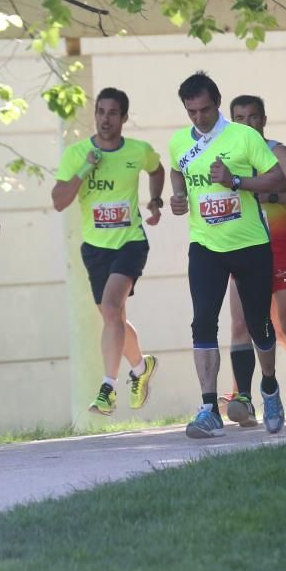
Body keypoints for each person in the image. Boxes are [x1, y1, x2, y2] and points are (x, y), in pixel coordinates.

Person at [168, 72, 286, 438]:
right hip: (205, 246)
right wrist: (178, 197)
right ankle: (208, 409)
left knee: (259, 326)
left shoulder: (243, 137)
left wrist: (236, 181)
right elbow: (177, 170)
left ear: (217, 103)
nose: (199, 118)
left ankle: (269, 388)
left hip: (250, 244)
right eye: (191, 112)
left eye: (205, 109)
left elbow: (278, 179)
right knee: (203, 320)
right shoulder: (178, 142)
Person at [52, 87, 165, 416]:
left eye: (112, 113)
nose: (105, 119)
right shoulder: (76, 154)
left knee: (113, 307)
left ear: (124, 118)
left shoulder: (137, 151)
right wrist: (85, 169)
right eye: (100, 112)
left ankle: (107, 389)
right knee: (113, 317)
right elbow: (59, 202)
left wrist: (155, 200)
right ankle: (141, 368)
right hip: (95, 249)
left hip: (130, 242)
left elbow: (156, 169)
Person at [220, 95, 286, 426]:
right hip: (243, 248)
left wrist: (273, 196)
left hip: (283, 247)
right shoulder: (224, 160)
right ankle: (248, 398)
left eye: (253, 117)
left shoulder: (278, 154)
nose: (247, 124)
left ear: (263, 120)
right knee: (240, 324)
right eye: (239, 118)